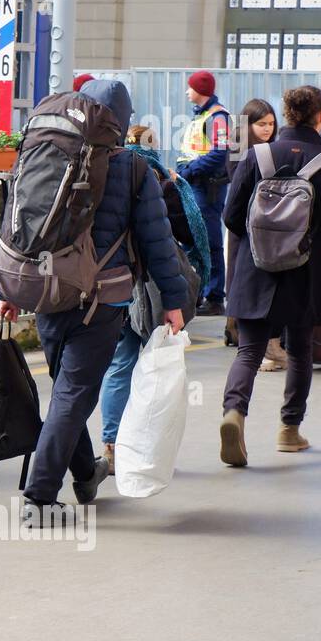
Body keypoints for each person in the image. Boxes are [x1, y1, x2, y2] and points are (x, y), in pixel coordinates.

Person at [0, 79, 188, 524]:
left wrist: (11, 290)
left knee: (68, 391)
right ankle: (38, 499)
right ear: (120, 121)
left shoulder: (43, 153)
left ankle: (85, 475)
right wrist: (173, 301)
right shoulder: (135, 169)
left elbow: (15, 222)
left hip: (45, 293)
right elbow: (157, 242)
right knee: (72, 394)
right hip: (101, 300)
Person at [218, 86, 321, 467]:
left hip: (255, 268)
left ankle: (234, 413)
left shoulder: (255, 157)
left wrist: (264, 242)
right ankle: (288, 431)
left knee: (249, 351)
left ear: (286, 115)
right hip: (304, 273)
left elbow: (231, 218)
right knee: (299, 351)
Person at [97, 124, 210, 474]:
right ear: (154, 147)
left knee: (119, 365)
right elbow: (189, 236)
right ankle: (148, 446)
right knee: (157, 368)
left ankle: (113, 445)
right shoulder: (163, 181)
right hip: (157, 289)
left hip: (115, 285)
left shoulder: (103, 177)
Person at [176, 70, 232, 316]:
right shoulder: (202, 116)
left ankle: (215, 296)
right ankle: (200, 292)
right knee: (196, 240)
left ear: (200, 90)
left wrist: (189, 170)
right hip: (194, 184)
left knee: (209, 242)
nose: (187, 92)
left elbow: (220, 154)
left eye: (190, 87)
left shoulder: (218, 117)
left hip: (207, 187)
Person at [232, 99, 281, 363]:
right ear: (248, 124)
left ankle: (265, 344)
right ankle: (245, 338)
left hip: (268, 226)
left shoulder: (274, 149)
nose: (267, 129)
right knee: (244, 285)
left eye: (271, 124)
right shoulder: (238, 149)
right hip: (244, 225)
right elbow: (235, 187)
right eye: (261, 124)